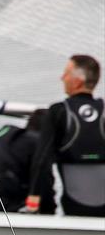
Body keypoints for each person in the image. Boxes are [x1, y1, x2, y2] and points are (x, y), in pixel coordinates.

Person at [25, 55, 105, 217]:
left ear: (78, 81)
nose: (62, 77)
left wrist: (34, 202)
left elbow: (42, 160)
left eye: (66, 73)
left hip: (75, 206)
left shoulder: (58, 111)